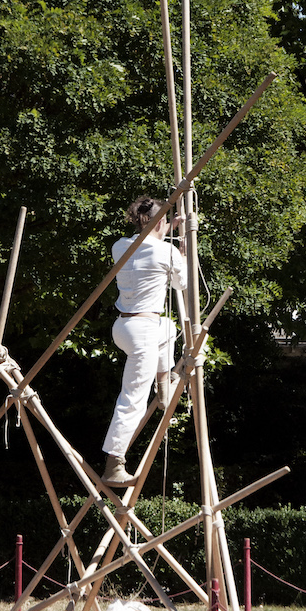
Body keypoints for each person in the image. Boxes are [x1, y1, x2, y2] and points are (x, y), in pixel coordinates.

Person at [101, 196, 187, 486]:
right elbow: (182, 283)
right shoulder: (167, 252)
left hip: (125, 326)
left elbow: (147, 244)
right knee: (133, 398)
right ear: (159, 222)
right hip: (143, 331)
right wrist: (183, 250)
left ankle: (163, 387)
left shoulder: (120, 246)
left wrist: (167, 228)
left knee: (168, 328)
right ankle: (114, 463)